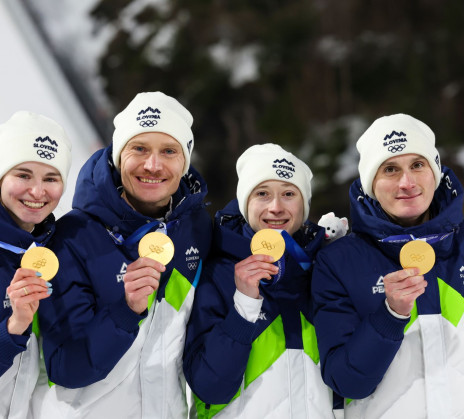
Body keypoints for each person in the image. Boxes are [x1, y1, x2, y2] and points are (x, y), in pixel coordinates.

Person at [34, 92, 213, 418]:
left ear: (184, 162)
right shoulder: (73, 237)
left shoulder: (197, 228)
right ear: (118, 155)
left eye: (169, 151)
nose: (153, 165)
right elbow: (65, 369)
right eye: (139, 148)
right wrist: (125, 311)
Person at [312, 113, 464, 418]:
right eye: (390, 169)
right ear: (371, 183)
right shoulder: (338, 262)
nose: (407, 182)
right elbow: (346, 382)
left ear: (435, 172)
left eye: (417, 165)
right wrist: (390, 315)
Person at [183, 143, 338, 418]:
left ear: (304, 205)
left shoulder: (324, 270)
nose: (276, 207)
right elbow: (209, 388)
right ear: (246, 204)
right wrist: (243, 306)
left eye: (289, 194)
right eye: (262, 194)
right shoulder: (217, 273)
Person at [0, 111, 71, 418]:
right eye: (24, 175)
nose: (38, 191)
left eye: (51, 178)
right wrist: (13, 327)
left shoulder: (54, 249)